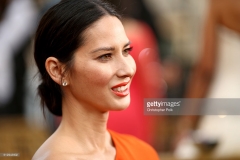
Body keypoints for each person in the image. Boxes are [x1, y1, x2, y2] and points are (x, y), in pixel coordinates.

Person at [32, 0, 160, 159]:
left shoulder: (142, 152)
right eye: (105, 56)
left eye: (127, 51)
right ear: (58, 70)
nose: (127, 70)